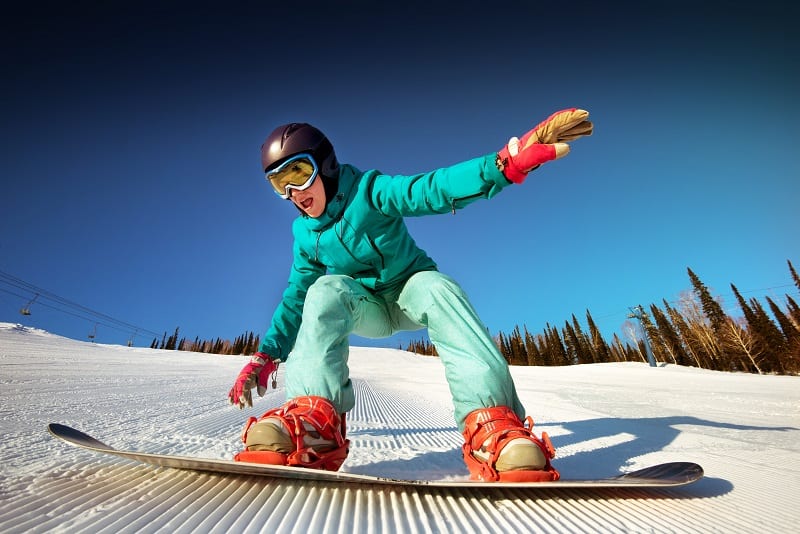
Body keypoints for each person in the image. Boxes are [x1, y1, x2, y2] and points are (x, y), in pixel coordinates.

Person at [228, 109, 592, 482]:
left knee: (439, 286)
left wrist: (503, 165)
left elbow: (430, 189)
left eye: (299, 175)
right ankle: (314, 424)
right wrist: (266, 354)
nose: (294, 193)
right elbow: (294, 298)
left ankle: (493, 426)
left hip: (409, 291)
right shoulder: (305, 236)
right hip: (365, 305)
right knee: (323, 290)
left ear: (326, 164)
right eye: (279, 184)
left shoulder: (370, 191)